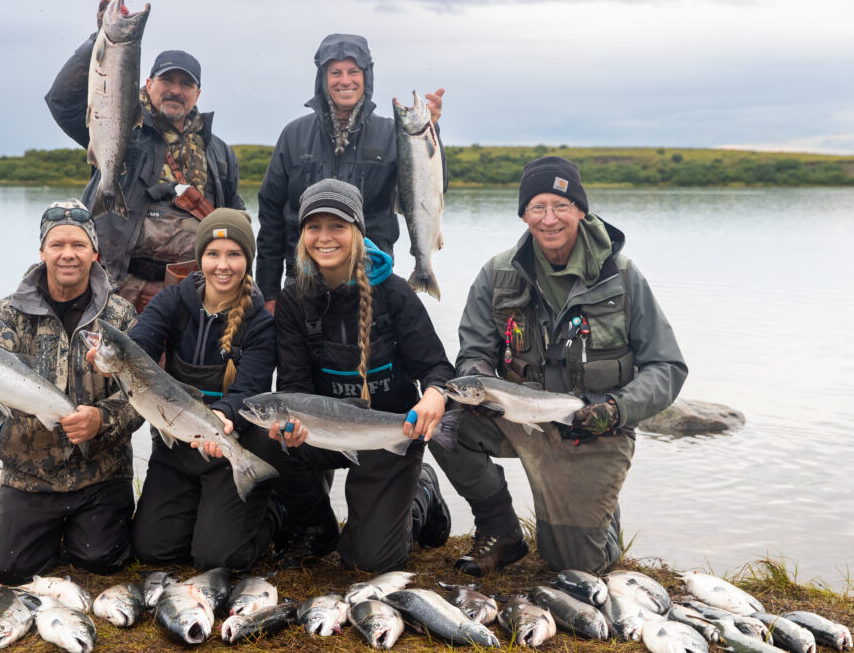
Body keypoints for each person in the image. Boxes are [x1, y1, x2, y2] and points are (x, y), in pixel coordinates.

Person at [430, 156, 688, 576]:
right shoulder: (496, 275)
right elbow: (473, 351)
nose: (549, 219)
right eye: (537, 207)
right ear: (523, 214)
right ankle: (500, 530)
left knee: (573, 566)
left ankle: (599, 511)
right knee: (441, 422)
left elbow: (668, 367)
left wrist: (616, 410)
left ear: (580, 210)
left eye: (561, 206)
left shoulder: (621, 277)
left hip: (592, 428)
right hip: (515, 416)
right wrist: (481, 387)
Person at [0, 200, 142, 585]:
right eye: (57, 245)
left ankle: (80, 533)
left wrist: (101, 420)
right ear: (42, 252)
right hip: (28, 475)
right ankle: (45, 529)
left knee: (102, 561)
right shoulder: (8, 312)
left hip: (101, 474)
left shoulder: (121, 315)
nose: (67, 254)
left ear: (95, 252)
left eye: (78, 245)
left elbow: (141, 398)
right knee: (8, 570)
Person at [267, 179, 453, 572]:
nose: (325, 237)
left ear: (358, 231)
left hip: (390, 433)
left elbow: (436, 367)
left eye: (338, 226)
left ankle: (421, 491)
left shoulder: (395, 293)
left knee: (369, 561)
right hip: (325, 431)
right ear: (302, 234)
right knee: (260, 436)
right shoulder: (292, 299)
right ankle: (315, 525)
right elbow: (295, 386)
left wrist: (435, 395)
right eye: (313, 227)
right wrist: (292, 429)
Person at [88, 208, 281, 569]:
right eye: (213, 254)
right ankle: (204, 510)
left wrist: (223, 416)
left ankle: (269, 510)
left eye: (234, 254)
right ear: (200, 257)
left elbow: (250, 389)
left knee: (218, 559)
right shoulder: (172, 300)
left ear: (248, 260)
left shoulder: (260, 321)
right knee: (153, 551)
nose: (222, 265)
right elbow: (138, 348)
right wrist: (108, 358)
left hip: (226, 442)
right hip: (175, 445)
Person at [46, 0, 243, 312]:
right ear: (149, 83)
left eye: (185, 83)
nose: (175, 90)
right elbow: (62, 103)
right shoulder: (119, 124)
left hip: (193, 291)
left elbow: (234, 217)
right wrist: (98, 41)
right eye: (167, 80)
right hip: (120, 285)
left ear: (198, 93)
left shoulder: (220, 153)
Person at [255, 33, 446, 311]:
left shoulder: (394, 133)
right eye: (336, 72)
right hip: (302, 285)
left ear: (366, 77)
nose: (345, 80)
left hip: (373, 280)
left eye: (353, 71)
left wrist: (431, 132)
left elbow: (433, 191)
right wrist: (269, 292)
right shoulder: (293, 135)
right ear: (323, 78)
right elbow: (270, 217)